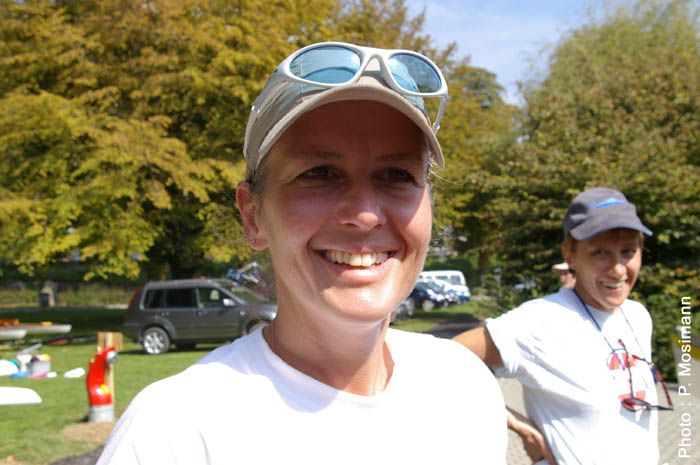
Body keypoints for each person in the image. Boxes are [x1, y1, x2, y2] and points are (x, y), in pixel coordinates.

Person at [97, 42, 507, 464]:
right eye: (320, 173)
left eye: (396, 175)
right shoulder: (176, 432)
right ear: (253, 216)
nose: (365, 214)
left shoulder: (464, 388)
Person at [453, 187, 672, 465]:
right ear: (569, 256)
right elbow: (443, 359)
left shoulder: (638, 315)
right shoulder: (539, 321)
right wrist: (519, 426)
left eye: (628, 251)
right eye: (600, 252)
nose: (618, 269)